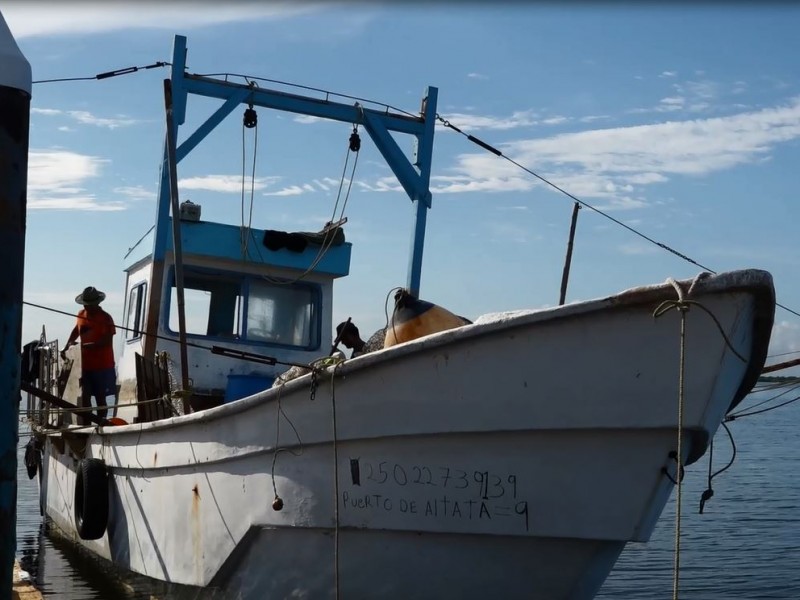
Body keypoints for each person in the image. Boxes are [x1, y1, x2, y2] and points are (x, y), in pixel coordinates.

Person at [61, 286, 117, 425]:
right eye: (86, 304)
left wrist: (84, 346)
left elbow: (106, 341)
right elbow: (76, 330)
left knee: (100, 398)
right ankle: (87, 424)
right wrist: (67, 345)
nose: (87, 307)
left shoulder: (105, 318)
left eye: (90, 305)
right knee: (85, 396)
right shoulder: (80, 314)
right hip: (85, 366)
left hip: (102, 365)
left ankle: (102, 423)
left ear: (97, 303)